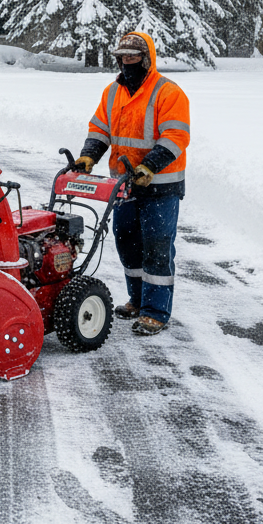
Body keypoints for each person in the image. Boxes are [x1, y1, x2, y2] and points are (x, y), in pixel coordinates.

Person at [74, 31, 190, 336]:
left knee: (157, 246)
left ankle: (156, 312)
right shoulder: (113, 92)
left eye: (133, 57)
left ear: (146, 59)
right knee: (127, 242)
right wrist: (89, 155)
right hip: (125, 184)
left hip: (160, 186)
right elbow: (100, 128)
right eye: (123, 57)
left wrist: (149, 166)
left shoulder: (168, 92)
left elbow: (176, 136)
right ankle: (137, 300)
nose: (127, 62)